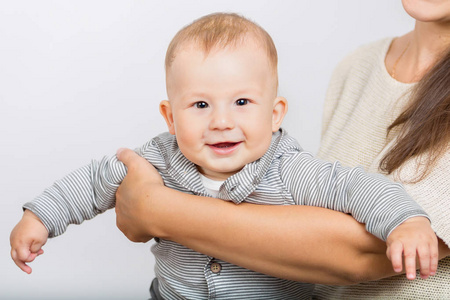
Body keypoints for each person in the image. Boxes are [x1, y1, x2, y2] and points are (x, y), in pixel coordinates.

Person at [8, 12, 439, 299]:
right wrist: (40, 218)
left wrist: (406, 221)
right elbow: (92, 181)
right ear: (170, 117)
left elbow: (358, 188)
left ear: (275, 115)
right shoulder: (156, 159)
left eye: (242, 103)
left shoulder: (291, 169)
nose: (221, 122)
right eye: (200, 105)